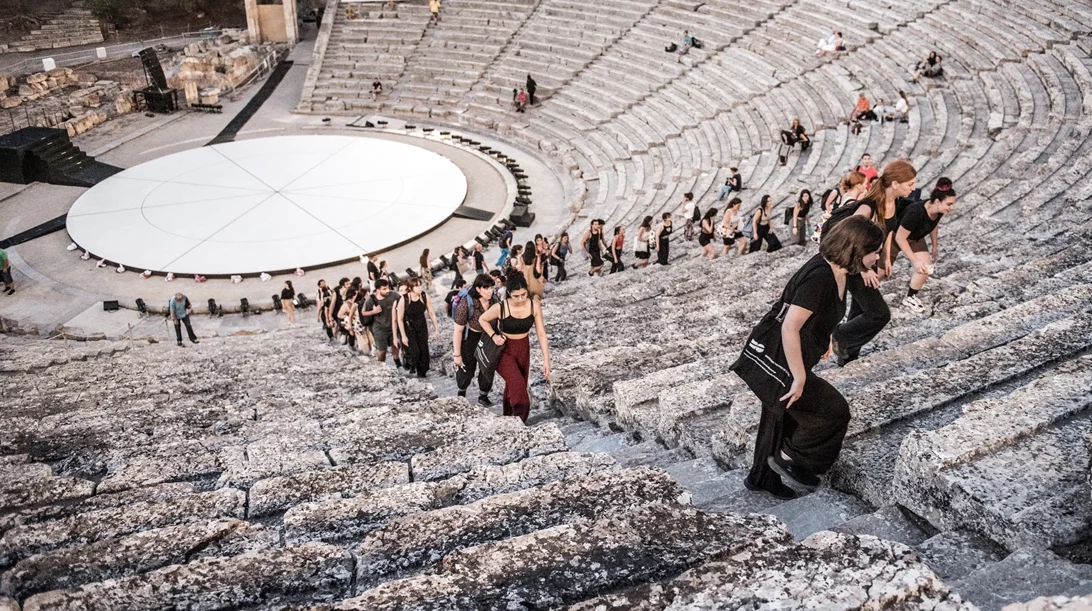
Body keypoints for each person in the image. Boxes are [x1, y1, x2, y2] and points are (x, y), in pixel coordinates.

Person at [731, 215, 885, 498]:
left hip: (787, 355)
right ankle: (792, 458)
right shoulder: (820, 278)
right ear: (856, 249)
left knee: (779, 414)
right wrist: (799, 377)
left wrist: (825, 337)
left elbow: (820, 314)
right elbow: (790, 326)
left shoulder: (840, 272)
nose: (878, 257)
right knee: (833, 411)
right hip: (778, 358)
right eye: (875, 251)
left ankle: (761, 478)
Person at [828, 159, 918, 366]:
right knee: (879, 314)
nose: (913, 188)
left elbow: (888, 230)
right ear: (895, 183)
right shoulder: (868, 206)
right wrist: (862, 268)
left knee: (860, 310)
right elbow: (851, 234)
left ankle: (848, 358)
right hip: (855, 265)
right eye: (910, 184)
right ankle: (839, 336)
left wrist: (886, 259)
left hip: (869, 262)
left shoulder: (894, 202)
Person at [479, 274, 551, 423]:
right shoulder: (501, 307)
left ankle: (509, 418)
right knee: (518, 387)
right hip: (504, 350)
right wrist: (493, 336)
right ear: (508, 293)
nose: (520, 299)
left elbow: (541, 333)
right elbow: (482, 319)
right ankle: (520, 420)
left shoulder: (534, 306)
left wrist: (546, 360)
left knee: (515, 384)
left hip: (523, 348)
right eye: (516, 296)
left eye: (523, 294)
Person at [895, 177, 955, 314]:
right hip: (895, 236)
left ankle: (910, 297)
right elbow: (900, 237)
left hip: (915, 237)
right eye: (949, 204)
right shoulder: (916, 212)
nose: (952, 208)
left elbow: (933, 225)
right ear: (938, 202)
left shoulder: (939, 210)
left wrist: (934, 246)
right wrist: (915, 261)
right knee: (880, 272)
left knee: (926, 265)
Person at [454, 274, 497, 405]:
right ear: (478, 289)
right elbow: (458, 330)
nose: (490, 291)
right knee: (467, 369)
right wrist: (457, 355)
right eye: (486, 288)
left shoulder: (494, 300)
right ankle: (461, 392)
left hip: (488, 337)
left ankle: (483, 396)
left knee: (487, 368)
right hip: (470, 338)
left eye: (491, 288)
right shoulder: (466, 303)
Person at [395, 277, 440, 377]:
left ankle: (422, 373)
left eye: (420, 285)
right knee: (414, 352)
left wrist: (436, 329)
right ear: (410, 288)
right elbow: (399, 319)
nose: (420, 288)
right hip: (409, 327)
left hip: (421, 326)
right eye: (416, 286)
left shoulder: (424, 296)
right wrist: (403, 336)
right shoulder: (404, 299)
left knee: (424, 351)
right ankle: (409, 365)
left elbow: (431, 313)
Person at [362, 279, 399, 363]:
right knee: (382, 350)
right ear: (378, 290)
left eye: (388, 288)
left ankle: (397, 362)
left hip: (393, 326)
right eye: (384, 289)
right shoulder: (371, 299)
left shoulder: (394, 295)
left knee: (396, 345)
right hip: (379, 328)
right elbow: (363, 313)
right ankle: (381, 364)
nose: (387, 290)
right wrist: (373, 312)